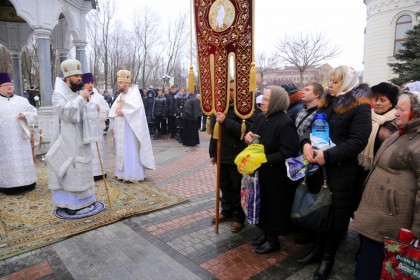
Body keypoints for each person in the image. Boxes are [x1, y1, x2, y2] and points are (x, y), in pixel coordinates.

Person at [299, 65, 372, 280]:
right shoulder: (326, 101)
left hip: (340, 173)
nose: (330, 85)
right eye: (330, 80)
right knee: (318, 210)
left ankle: (328, 259)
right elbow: (310, 129)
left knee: (335, 217)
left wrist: (328, 157)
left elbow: (358, 141)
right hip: (317, 169)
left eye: (336, 81)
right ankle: (317, 251)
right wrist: (305, 144)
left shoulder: (359, 106)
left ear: (348, 83)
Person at [351, 91, 420, 280]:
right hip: (376, 212)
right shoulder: (401, 132)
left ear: (417, 111)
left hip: (391, 219)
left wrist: (417, 231)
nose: (396, 113)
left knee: (374, 267)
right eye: (396, 108)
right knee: (367, 262)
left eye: (401, 109)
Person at [244, 86, 300, 254]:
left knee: (274, 207)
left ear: (276, 102)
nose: (262, 101)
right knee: (263, 203)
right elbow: (254, 134)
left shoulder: (285, 122)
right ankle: (264, 233)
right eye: (263, 97)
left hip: (277, 175)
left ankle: (273, 240)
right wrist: (248, 136)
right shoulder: (262, 117)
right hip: (262, 171)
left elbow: (288, 152)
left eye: (267, 99)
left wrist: (265, 159)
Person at [48, 59, 98, 215]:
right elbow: (67, 113)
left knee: (81, 168)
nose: (79, 79)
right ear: (67, 77)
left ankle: (83, 202)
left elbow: (85, 113)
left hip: (81, 138)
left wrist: (88, 103)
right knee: (69, 170)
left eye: (79, 75)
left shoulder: (76, 92)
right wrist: (81, 99)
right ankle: (68, 204)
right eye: (76, 76)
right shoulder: (58, 94)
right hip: (66, 140)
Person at [209, 80, 251, 233]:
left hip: (237, 155)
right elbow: (214, 134)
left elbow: (245, 132)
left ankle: (238, 217)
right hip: (221, 155)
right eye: (228, 90)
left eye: (233, 90)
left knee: (237, 188)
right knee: (224, 186)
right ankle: (225, 211)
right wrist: (212, 152)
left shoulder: (245, 111)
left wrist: (226, 121)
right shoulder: (219, 108)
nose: (230, 94)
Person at [353, 82, 399, 213]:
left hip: (379, 173)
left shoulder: (396, 122)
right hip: (360, 168)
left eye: (382, 100)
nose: (377, 103)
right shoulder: (366, 116)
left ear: (392, 103)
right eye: (375, 99)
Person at [108, 70, 155, 182]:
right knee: (121, 151)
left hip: (130, 130)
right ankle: (121, 173)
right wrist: (113, 127)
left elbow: (137, 110)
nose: (118, 85)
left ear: (127, 83)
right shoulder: (120, 95)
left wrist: (123, 112)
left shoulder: (134, 94)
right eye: (118, 83)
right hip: (120, 130)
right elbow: (114, 111)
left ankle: (133, 174)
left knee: (130, 150)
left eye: (121, 83)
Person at [0, 72, 37, 194]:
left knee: (22, 161)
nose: (9, 87)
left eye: (10, 84)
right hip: (4, 140)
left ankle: (28, 183)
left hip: (21, 138)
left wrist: (25, 115)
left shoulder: (22, 101)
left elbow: (34, 113)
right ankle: (8, 186)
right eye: (5, 85)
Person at [82, 73, 110, 182]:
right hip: (85, 129)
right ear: (84, 84)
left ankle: (99, 172)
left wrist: (100, 108)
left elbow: (107, 110)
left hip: (97, 128)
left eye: (92, 83)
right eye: (88, 83)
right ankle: (88, 173)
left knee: (98, 150)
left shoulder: (98, 97)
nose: (90, 85)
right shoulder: (79, 96)